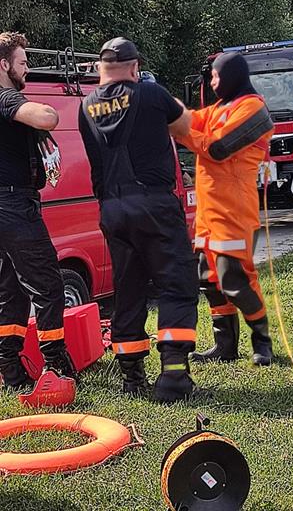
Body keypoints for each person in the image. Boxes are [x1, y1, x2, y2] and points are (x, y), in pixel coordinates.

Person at [79, 37, 199, 403]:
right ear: (134, 67)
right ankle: (174, 376)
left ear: (101, 69)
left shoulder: (85, 105)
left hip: (112, 209)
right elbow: (186, 127)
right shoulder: (150, 93)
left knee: (128, 289)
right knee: (176, 283)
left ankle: (132, 378)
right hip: (153, 203)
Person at [177, 52, 275, 366]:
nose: (212, 83)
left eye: (217, 77)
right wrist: (166, 108)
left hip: (234, 212)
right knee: (208, 278)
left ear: (232, 75)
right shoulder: (219, 109)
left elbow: (218, 148)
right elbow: (190, 119)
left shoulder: (254, 109)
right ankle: (225, 345)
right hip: (208, 213)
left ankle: (262, 342)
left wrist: (180, 130)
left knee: (235, 279)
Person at [0, 32, 76, 390]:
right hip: (14, 205)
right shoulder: (5, 97)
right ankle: (56, 364)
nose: (27, 68)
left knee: (12, 289)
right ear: (4, 65)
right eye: (23, 62)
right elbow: (46, 117)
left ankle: (9, 367)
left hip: (7, 204)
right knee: (48, 284)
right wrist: (44, 110)